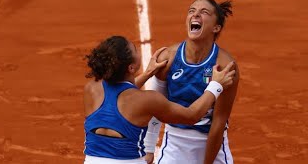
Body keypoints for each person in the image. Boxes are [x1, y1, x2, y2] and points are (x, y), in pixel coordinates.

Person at [83, 35, 235, 164]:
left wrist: (148, 73)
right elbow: (192, 115)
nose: (138, 52)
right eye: (135, 50)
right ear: (131, 68)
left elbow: (119, 93)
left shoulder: (91, 89)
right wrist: (215, 85)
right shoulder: (147, 100)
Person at [144, 0, 239, 164]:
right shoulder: (167, 58)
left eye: (204, 12)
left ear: (216, 28)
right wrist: (149, 149)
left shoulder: (225, 66)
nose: (195, 14)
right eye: (191, 10)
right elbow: (154, 107)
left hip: (211, 146)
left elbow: (219, 121)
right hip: (174, 145)